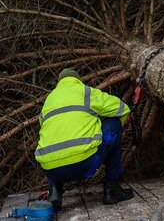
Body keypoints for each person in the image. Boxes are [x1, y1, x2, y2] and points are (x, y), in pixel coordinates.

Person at [35, 68, 134, 209]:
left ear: (59, 83)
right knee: (114, 124)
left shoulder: (49, 101)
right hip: (83, 164)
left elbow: (47, 131)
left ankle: (55, 191)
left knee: (53, 139)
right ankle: (112, 189)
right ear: (77, 80)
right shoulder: (85, 92)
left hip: (51, 170)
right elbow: (122, 109)